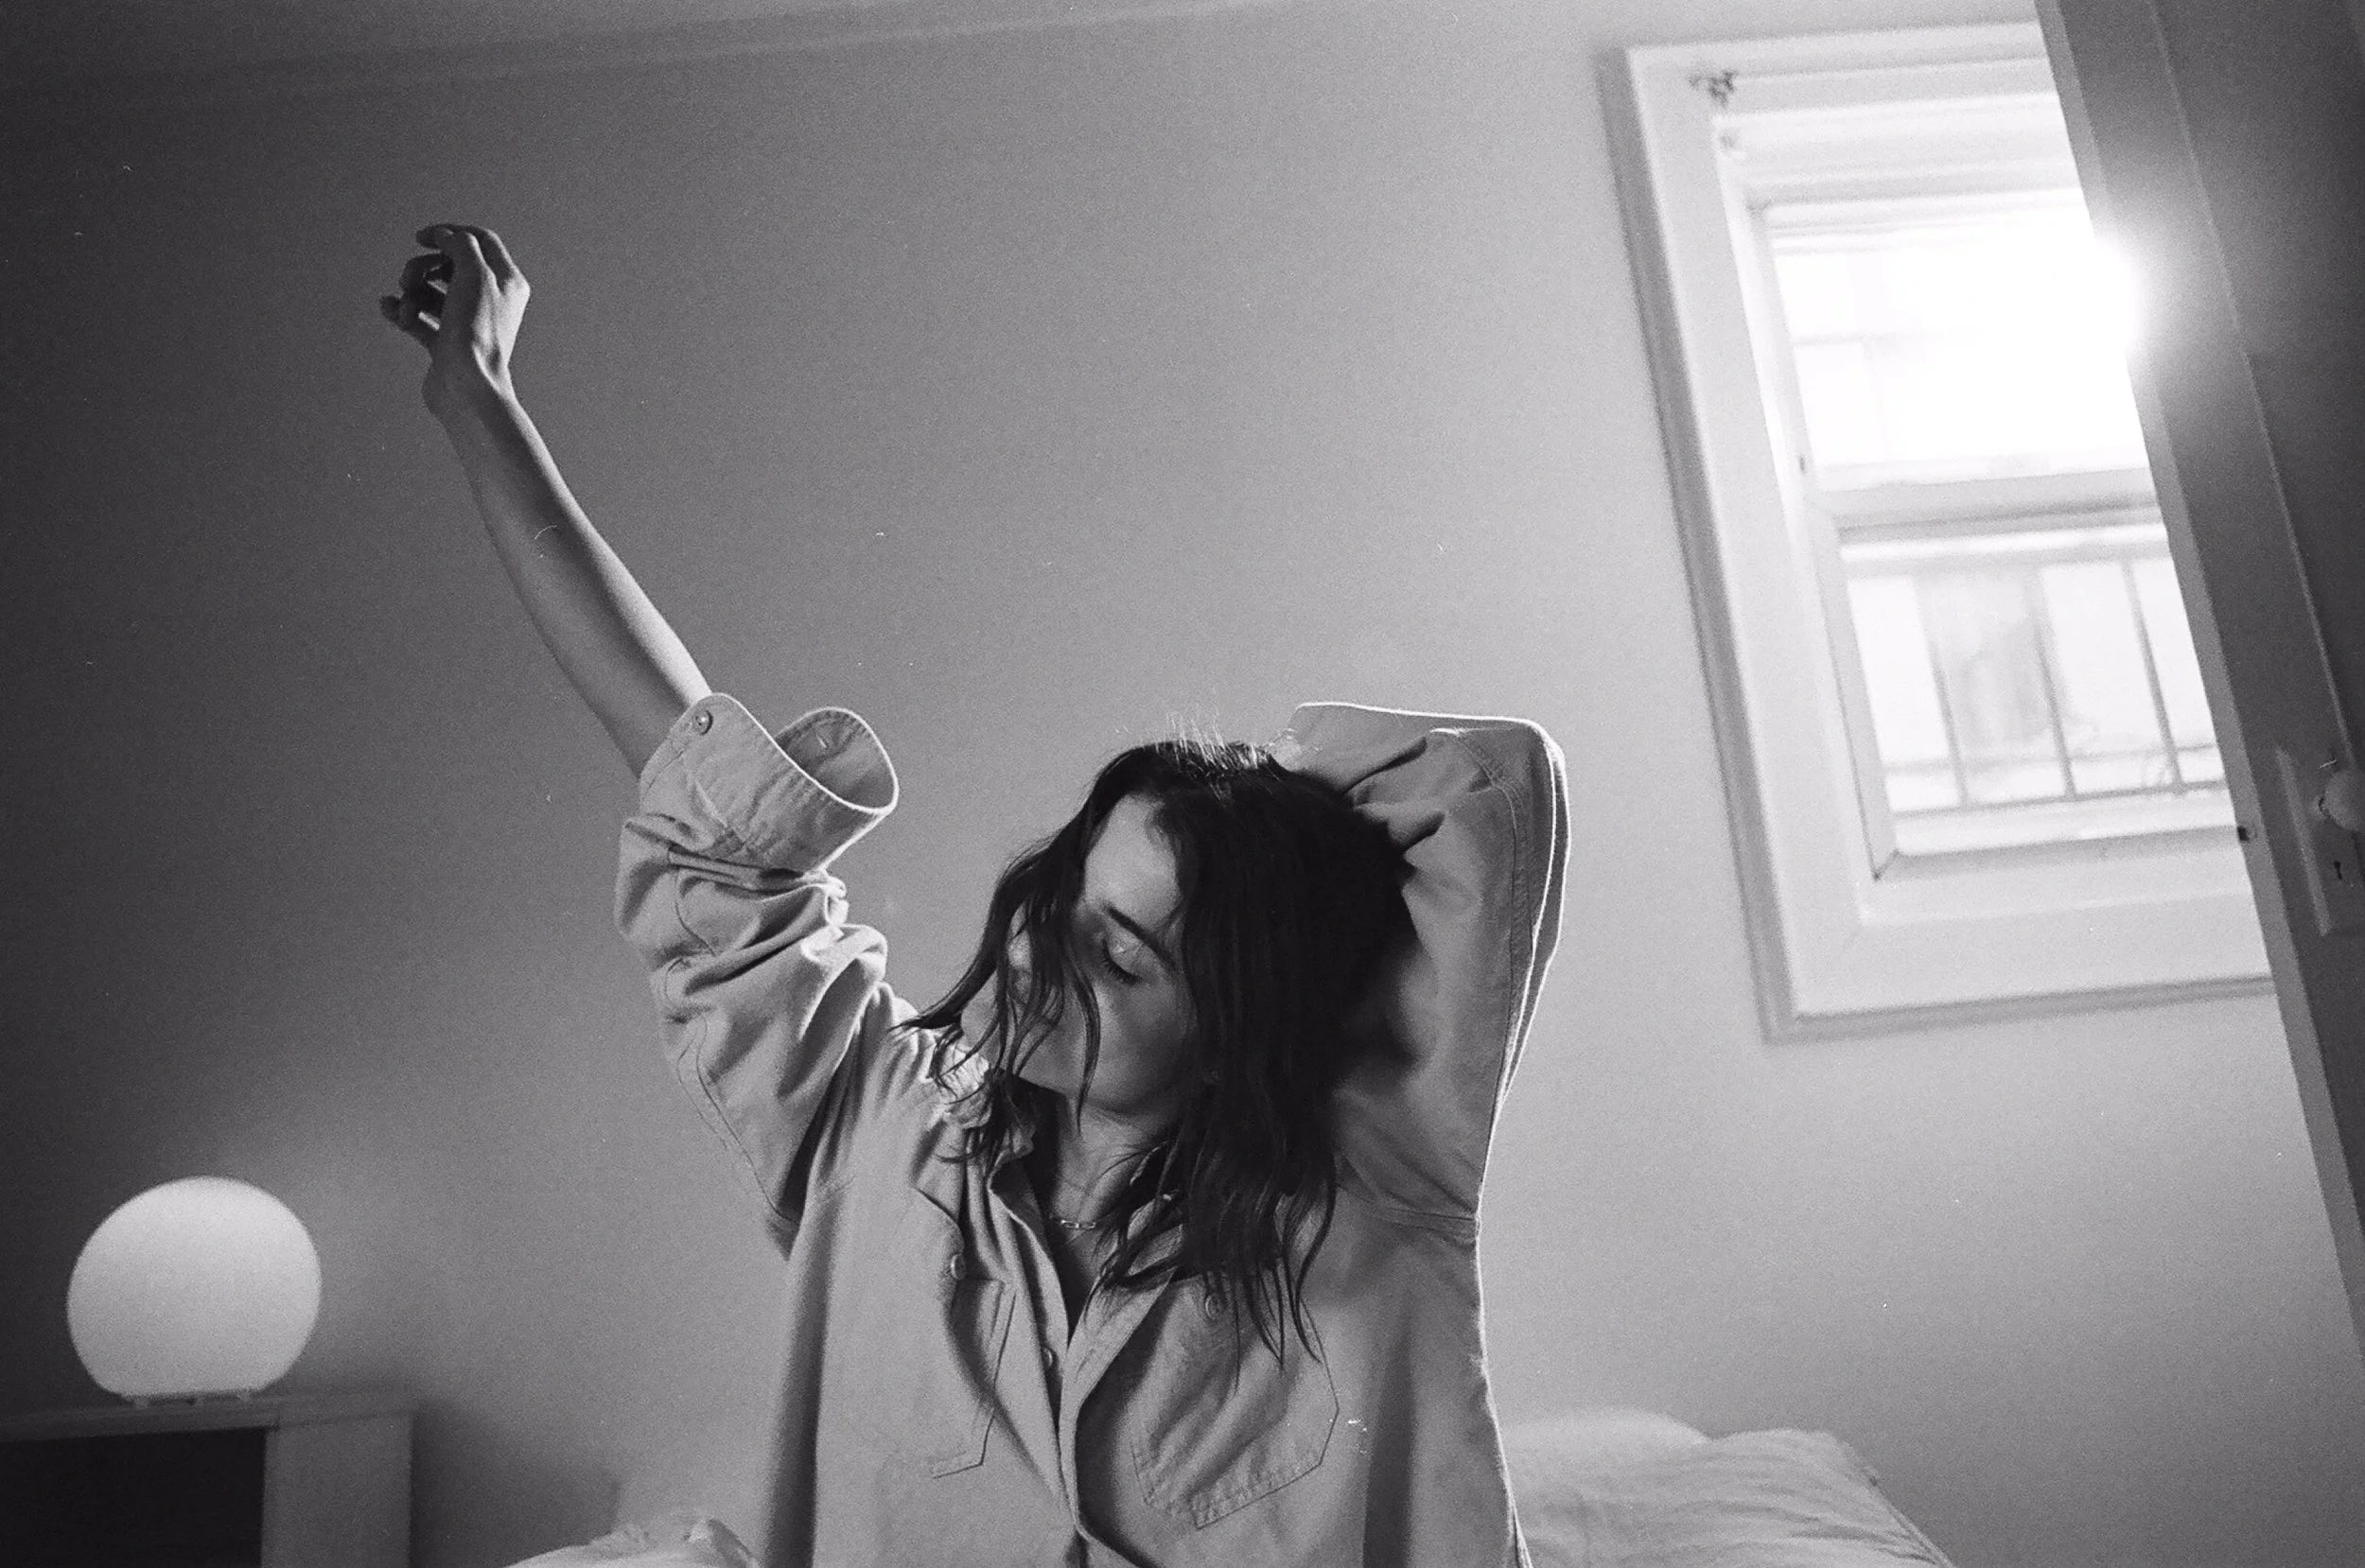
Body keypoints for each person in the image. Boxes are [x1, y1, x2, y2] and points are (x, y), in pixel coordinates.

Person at [384, 223, 1569, 1568]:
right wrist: (478, 402)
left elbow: (1485, 791)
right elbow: (686, 766)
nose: (1037, 962)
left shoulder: (1373, 1193)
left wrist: (1267, 850)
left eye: (1122, 959)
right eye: (1060, 896)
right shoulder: (875, 1126)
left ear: (1242, 1023)